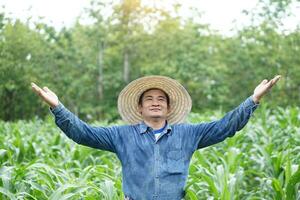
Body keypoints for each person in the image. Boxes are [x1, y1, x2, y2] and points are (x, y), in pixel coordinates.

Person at [31, 75, 281, 200]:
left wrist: (254, 100)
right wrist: (57, 107)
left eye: (161, 99)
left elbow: (226, 126)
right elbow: (82, 133)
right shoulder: (121, 135)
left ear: (169, 108)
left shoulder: (189, 134)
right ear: (139, 108)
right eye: (149, 99)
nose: (155, 103)